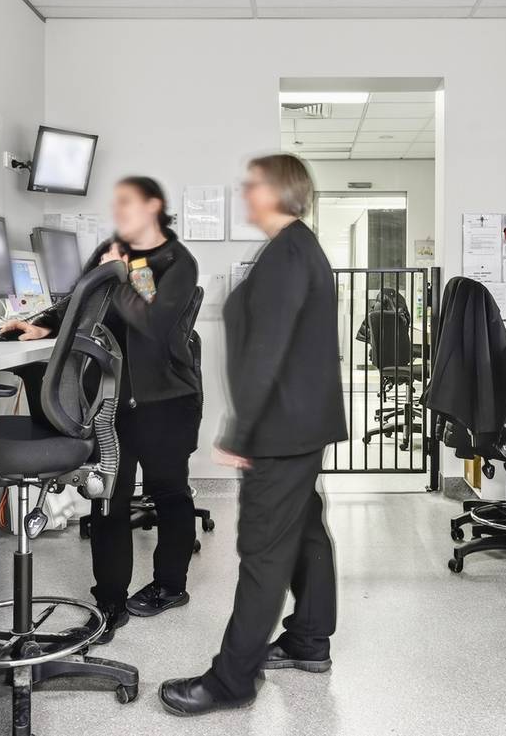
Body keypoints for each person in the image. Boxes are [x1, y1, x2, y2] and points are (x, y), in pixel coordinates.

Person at [160, 154, 347, 716]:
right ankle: (309, 638)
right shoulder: (294, 247)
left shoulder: (288, 254)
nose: (245, 192)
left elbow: (268, 349)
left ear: (275, 191)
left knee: (262, 550)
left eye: (252, 185)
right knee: (305, 530)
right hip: (300, 424)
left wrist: (239, 431)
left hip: (281, 429)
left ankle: (231, 680)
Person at [2, 176, 202, 642]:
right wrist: (43, 326)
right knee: (109, 497)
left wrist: (128, 272)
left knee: (169, 492)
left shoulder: (178, 262)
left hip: (164, 399)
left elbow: (152, 322)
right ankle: (109, 600)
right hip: (110, 400)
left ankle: (171, 586)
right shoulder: (112, 251)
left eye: (129, 204)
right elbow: (77, 302)